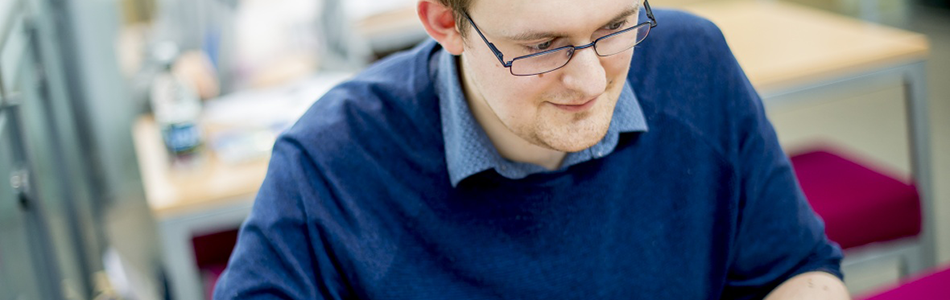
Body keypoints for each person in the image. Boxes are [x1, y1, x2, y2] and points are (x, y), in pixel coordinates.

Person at [214, 0, 851, 298]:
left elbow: (797, 271)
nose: (592, 81)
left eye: (613, 28)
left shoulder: (693, 64)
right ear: (445, 22)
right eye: (542, 46)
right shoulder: (331, 162)